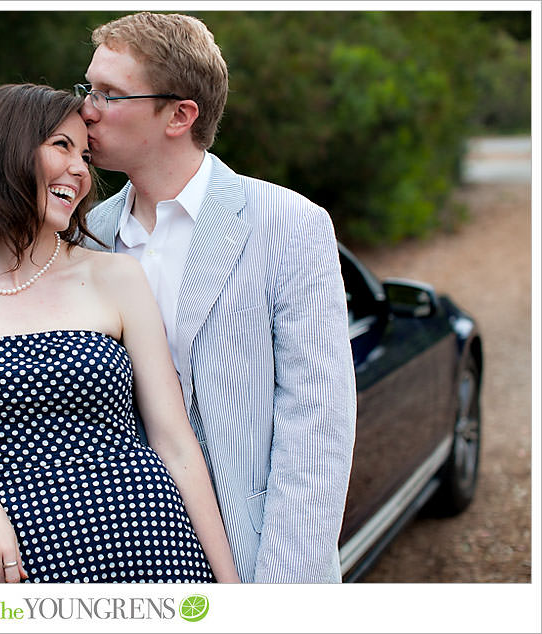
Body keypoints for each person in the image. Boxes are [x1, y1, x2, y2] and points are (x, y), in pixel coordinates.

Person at [0, 83, 240, 584]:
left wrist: (230, 590)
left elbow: (174, 441)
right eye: (61, 146)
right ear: (3, 149)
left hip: (147, 544)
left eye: (86, 154)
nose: (80, 169)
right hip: (11, 560)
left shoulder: (114, 275)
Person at [78, 12, 357, 583]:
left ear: (179, 115)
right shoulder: (87, 235)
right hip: (120, 557)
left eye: (109, 94)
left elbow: (316, 428)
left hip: (256, 557)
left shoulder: (289, 223)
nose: (86, 109)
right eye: (88, 88)